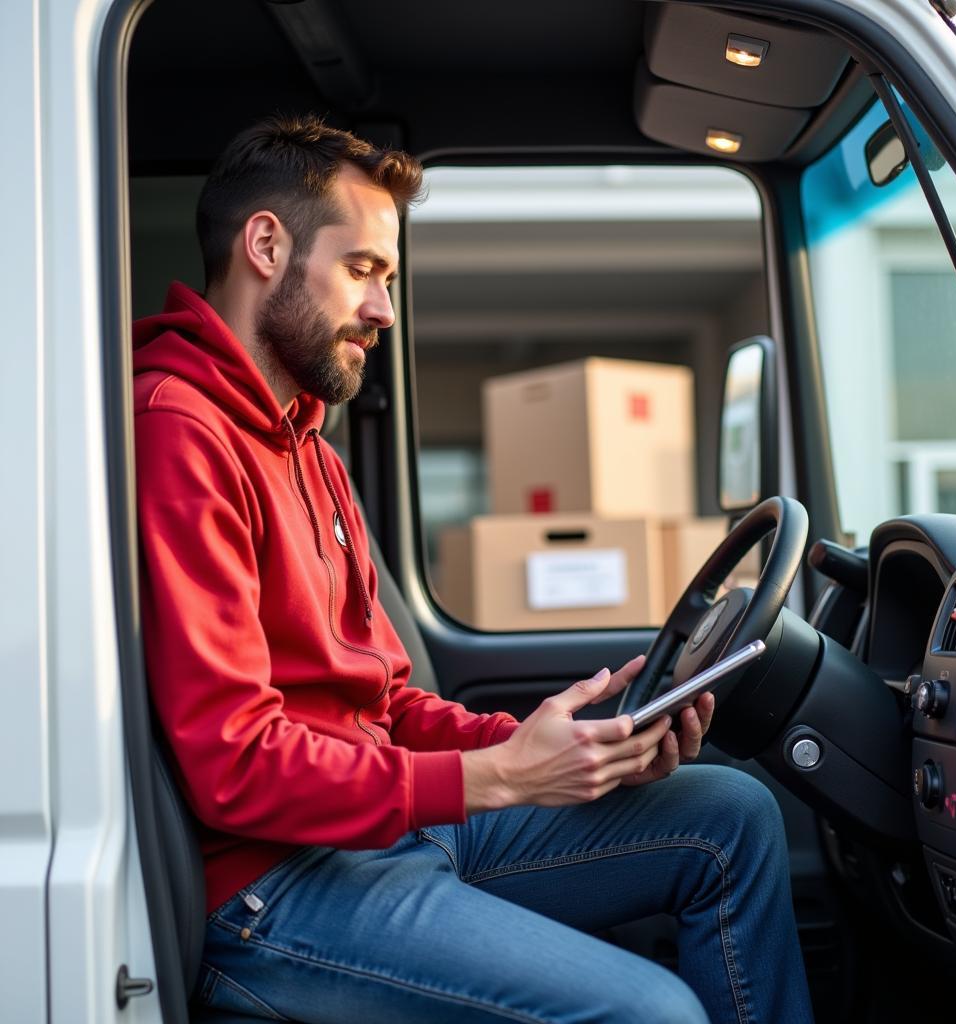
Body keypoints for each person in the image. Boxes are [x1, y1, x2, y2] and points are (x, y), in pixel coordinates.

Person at [134, 114, 814, 1024]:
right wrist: (500, 779)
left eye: (389, 279)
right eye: (363, 270)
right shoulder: (179, 431)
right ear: (266, 245)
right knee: (653, 1013)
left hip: (383, 830)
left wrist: (560, 747)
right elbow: (236, 763)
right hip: (274, 888)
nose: (382, 309)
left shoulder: (313, 452)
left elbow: (389, 707)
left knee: (729, 815)